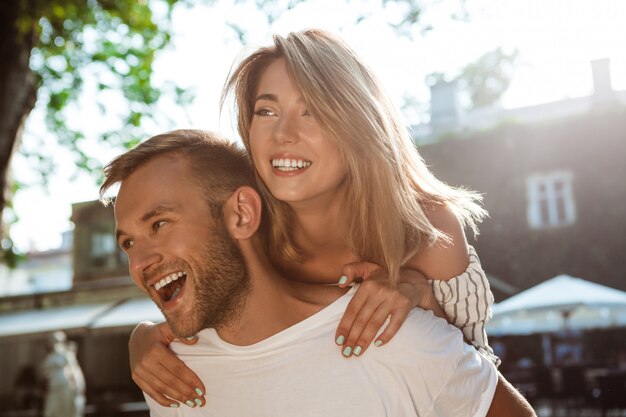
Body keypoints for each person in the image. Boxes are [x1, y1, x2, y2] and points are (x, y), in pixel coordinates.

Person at [130, 29, 498, 406]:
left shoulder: (428, 230)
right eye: (267, 111)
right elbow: (201, 311)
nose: (283, 134)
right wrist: (145, 338)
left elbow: (474, 383)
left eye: (312, 111)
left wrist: (422, 297)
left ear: (357, 122)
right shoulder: (244, 231)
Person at [101, 129, 535, 416]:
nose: (139, 264)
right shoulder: (166, 376)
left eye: (159, 225)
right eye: (128, 243)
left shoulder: (388, 336)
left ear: (241, 214)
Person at [41, 331, 84, 417]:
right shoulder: (50, 357)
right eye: (53, 341)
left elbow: (74, 372)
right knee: (52, 411)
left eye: (58, 341)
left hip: (65, 388)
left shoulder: (67, 355)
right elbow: (44, 371)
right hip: (54, 389)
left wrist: (77, 387)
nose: (55, 344)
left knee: (66, 411)